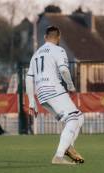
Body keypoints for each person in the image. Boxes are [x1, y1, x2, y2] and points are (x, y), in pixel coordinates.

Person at [26, 26, 84, 165]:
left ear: (45, 37)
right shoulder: (58, 50)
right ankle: (58, 156)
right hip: (53, 88)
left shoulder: (36, 54)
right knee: (73, 119)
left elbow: (29, 78)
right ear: (58, 38)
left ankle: (68, 147)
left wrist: (31, 102)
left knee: (79, 116)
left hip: (41, 94)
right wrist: (70, 85)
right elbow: (64, 70)